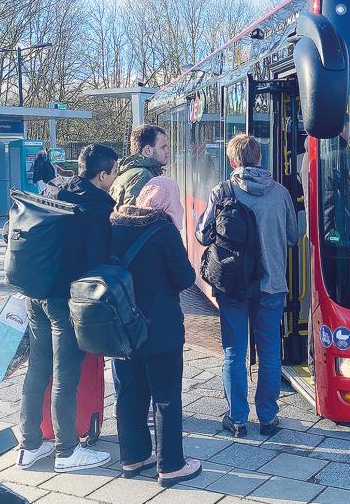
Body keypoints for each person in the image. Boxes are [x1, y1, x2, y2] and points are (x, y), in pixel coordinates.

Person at [17, 144, 118, 472]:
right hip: (64, 300)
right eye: (114, 172)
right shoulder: (98, 206)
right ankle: (67, 451)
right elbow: (96, 262)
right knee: (65, 373)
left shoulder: (60, 191)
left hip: (37, 295)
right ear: (102, 174)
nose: (114, 179)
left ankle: (30, 445)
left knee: (38, 368)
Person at [196, 134, 297, 438]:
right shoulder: (279, 193)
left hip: (233, 285)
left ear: (232, 161)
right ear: (260, 158)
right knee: (268, 350)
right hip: (272, 284)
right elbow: (293, 236)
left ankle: (237, 418)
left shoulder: (222, 191)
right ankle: (267, 417)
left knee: (233, 350)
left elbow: (202, 234)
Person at [110, 176, 201, 486]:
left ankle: (133, 458)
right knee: (165, 397)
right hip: (159, 328)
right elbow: (185, 278)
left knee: (129, 394)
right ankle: (172, 465)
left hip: (121, 326)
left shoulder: (115, 223)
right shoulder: (164, 229)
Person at [110, 124, 169, 209]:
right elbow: (135, 216)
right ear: (148, 150)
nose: (167, 151)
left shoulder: (126, 172)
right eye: (163, 147)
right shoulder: (143, 175)